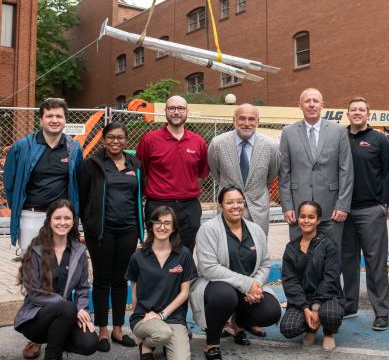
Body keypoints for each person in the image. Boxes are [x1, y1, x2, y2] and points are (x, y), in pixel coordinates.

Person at [4, 97, 83, 360]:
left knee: (64, 272)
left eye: (59, 116)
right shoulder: (23, 146)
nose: (54, 120)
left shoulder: (73, 149)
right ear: (41, 118)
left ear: (65, 119)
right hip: (31, 216)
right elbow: (10, 183)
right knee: (35, 276)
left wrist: (73, 219)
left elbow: (77, 186)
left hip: (63, 219)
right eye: (50, 116)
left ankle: (61, 329)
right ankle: (35, 337)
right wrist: (19, 210)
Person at [189, 186, 282, 360]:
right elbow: (209, 268)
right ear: (221, 206)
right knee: (225, 296)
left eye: (239, 202)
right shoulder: (208, 229)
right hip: (215, 285)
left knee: (271, 312)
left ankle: (237, 323)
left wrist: (255, 285)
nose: (236, 206)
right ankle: (212, 343)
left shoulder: (255, 230)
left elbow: (264, 263)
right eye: (229, 202)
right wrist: (247, 284)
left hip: (247, 288)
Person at [77, 122, 143, 352]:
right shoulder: (91, 165)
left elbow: (138, 194)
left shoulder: (135, 163)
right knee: (103, 279)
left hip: (128, 230)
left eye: (120, 138)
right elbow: (83, 199)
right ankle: (102, 330)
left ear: (126, 140)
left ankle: (118, 329)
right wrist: (90, 226)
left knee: (120, 279)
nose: (115, 142)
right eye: (111, 138)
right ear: (104, 139)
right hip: (101, 232)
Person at [14, 199, 97, 360]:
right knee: (65, 307)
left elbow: (83, 288)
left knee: (89, 343)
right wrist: (70, 308)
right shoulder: (36, 249)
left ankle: (56, 341)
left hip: (65, 314)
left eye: (67, 218)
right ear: (49, 220)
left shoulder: (79, 251)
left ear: (73, 221)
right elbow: (34, 292)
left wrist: (82, 309)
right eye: (57, 218)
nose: (62, 222)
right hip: (35, 318)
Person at [340, 97, 389, 329]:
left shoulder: (379, 139)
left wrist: (384, 203)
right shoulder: (339, 137)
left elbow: (388, 172)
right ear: (348, 113)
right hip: (343, 211)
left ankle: (381, 312)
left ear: (368, 113)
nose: (357, 113)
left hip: (371, 209)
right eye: (353, 110)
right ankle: (349, 305)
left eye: (362, 109)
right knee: (347, 262)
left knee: (375, 263)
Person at [279, 88, 353, 247]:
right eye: (307, 101)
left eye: (315, 101)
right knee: (300, 257)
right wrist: (287, 206)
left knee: (331, 258)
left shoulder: (339, 131)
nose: (311, 105)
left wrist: (343, 205)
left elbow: (346, 171)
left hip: (332, 209)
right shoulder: (288, 132)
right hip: (298, 210)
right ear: (300, 105)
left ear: (322, 105)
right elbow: (284, 173)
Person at [127, 206, 196, 360]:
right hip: (145, 318)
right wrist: (137, 319)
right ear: (151, 225)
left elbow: (184, 292)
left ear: (173, 228)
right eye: (157, 222)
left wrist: (162, 315)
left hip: (173, 317)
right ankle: (146, 344)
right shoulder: (138, 256)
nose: (162, 227)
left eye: (167, 223)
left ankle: (161, 341)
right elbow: (134, 291)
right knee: (163, 333)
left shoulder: (183, 254)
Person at [136, 95, 209, 253]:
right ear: (165, 111)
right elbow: (143, 173)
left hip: (190, 208)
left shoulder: (198, 142)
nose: (176, 112)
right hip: (158, 206)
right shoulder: (149, 140)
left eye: (181, 108)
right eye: (172, 108)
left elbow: (201, 174)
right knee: (159, 252)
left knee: (186, 252)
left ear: (187, 111)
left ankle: (183, 278)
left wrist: (186, 190)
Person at [280, 201, 345, 352]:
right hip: (303, 299)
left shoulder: (329, 245)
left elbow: (330, 279)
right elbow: (290, 281)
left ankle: (329, 332)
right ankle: (311, 329)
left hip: (328, 297)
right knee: (288, 328)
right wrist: (305, 308)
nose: (306, 221)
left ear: (318, 220)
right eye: (302, 216)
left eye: (311, 217)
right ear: (298, 218)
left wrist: (315, 307)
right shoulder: (291, 248)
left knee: (330, 315)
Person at [208, 103, 280, 235]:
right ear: (234, 120)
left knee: (257, 251)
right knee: (227, 250)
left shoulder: (270, 145)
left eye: (252, 119)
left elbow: (271, 174)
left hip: (258, 210)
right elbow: (216, 172)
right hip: (228, 208)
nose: (247, 123)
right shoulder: (218, 144)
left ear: (258, 121)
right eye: (242, 118)